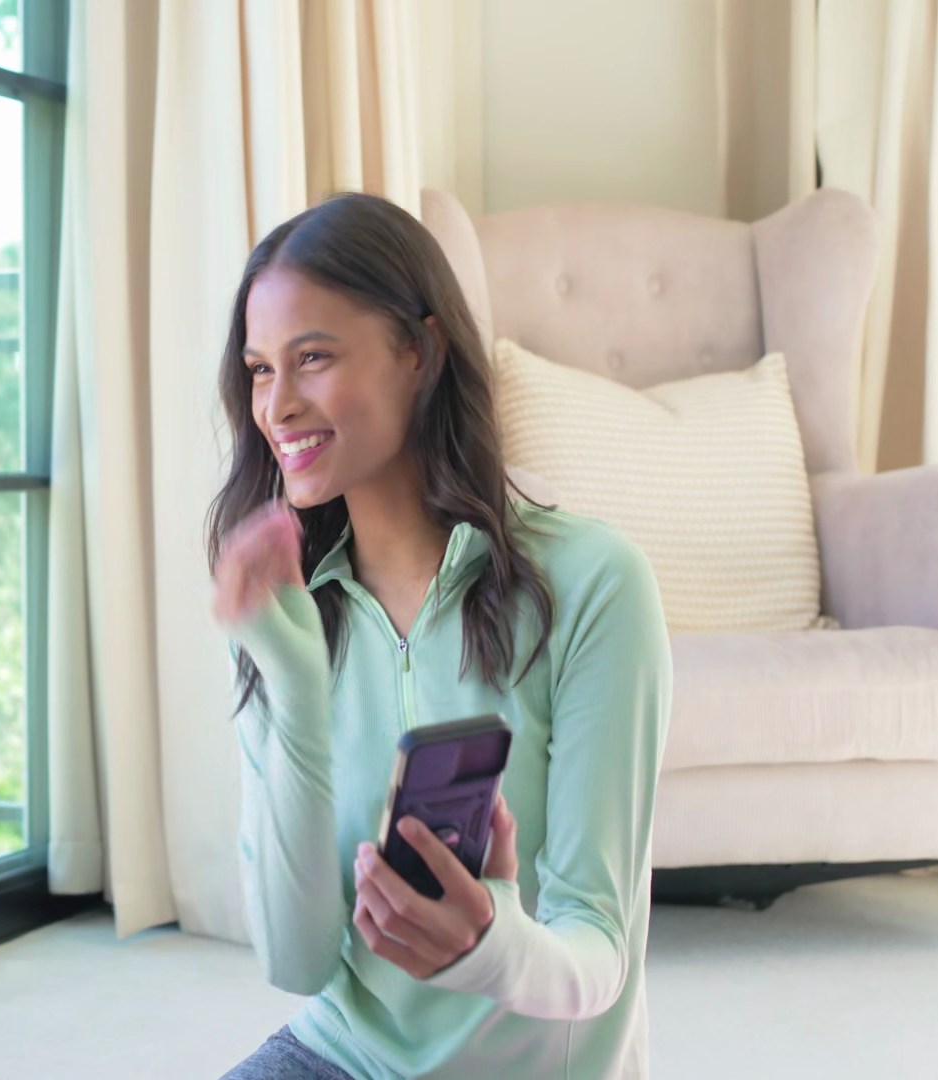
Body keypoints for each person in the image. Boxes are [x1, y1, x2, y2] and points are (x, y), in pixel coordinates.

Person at [208, 194, 671, 1080]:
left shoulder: (594, 584)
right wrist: (294, 691)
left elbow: (599, 953)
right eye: (261, 370)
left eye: (313, 358)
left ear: (418, 351)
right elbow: (298, 963)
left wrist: (490, 945)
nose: (279, 406)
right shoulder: (283, 608)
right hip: (344, 1056)